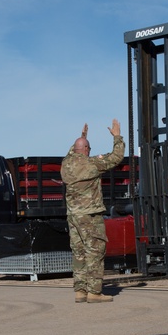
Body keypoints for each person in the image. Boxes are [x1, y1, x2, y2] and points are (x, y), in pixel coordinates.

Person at [62, 119, 124, 303]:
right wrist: (117, 136)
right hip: (89, 215)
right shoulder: (92, 164)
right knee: (95, 251)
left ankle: (80, 291)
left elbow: (72, 152)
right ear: (87, 150)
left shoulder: (65, 165)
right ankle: (94, 293)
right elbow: (116, 158)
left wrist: (82, 137)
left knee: (79, 252)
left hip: (73, 216)